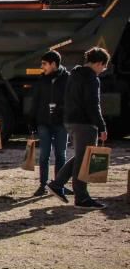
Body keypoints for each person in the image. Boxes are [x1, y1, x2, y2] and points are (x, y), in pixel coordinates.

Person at [47, 47, 110, 209]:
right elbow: (93, 105)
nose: (104, 69)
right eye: (104, 66)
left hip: (71, 121)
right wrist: (102, 126)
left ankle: (56, 184)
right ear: (98, 63)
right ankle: (81, 197)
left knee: (81, 156)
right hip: (85, 123)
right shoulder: (91, 79)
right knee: (83, 160)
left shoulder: (74, 75)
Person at [31, 50, 70, 196]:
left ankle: (59, 185)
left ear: (53, 64)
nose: (42, 67)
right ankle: (43, 185)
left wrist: (61, 110)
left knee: (61, 154)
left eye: (44, 64)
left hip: (61, 123)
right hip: (44, 122)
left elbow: (71, 100)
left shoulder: (67, 78)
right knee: (44, 155)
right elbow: (36, 101)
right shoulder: (42, 79)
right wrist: (32, 121)